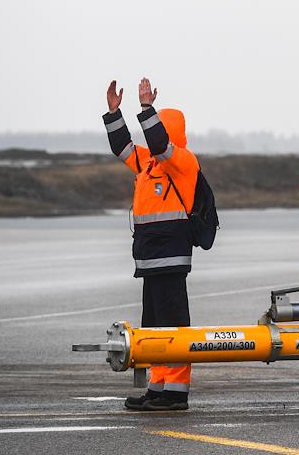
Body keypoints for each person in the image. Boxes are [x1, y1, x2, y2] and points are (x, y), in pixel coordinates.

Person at [102, 78, 197, 412]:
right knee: (154, 326)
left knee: (175, 325)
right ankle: (158, 388)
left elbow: (158, 143)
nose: (152, 135)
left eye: (158, 128)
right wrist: (114, 113)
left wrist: (145, 108)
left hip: (171, 256)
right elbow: (122, 147)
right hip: (149, 258)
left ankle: (176, 393)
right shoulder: (147, 163)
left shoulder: (182, 161)